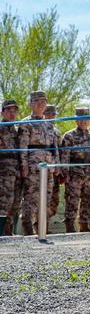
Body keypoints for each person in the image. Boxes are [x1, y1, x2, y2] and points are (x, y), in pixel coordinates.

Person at [18, 91, 59, 235]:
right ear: (30, 104)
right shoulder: (26, 123)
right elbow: (22, 147)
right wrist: (24, 167)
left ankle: (42, 229)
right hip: (33, 167)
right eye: (37, 101)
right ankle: (28, 229)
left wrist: (56, 165)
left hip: (48, 166)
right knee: (30, 198)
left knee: (46, 197)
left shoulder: (49, 124)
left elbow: (54, 147)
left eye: (43, 102)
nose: (40, 104)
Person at [60, 108, 90, 232]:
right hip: (75, 173)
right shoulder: (69, 136)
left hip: (89, 172)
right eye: (81, 119)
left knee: (88, 200)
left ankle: (84, 225)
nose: (84, 122)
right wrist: (65, 173)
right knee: (72, 200)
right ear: (76, 120)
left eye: (86, 119)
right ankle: (69, 226)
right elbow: (65, 156)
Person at [0, 100, 21, 235]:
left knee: (15, 201)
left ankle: (8, 230)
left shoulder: (16, 130)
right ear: (2, 112)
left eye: (14, 111)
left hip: (15, 170)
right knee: (3, 201)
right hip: (3, 170)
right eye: (9, 111)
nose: (12, 114)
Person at [44, 104, 64, 221]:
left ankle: (44, 224)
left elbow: (59, 151)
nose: (51, 116)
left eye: (53, 114)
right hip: (45, 168)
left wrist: (60, 168)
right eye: (49, 114)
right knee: (43, 198)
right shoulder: (40, 128)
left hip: (56, 170)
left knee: (54, 200)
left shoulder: (57, 132)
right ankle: (39, 226)